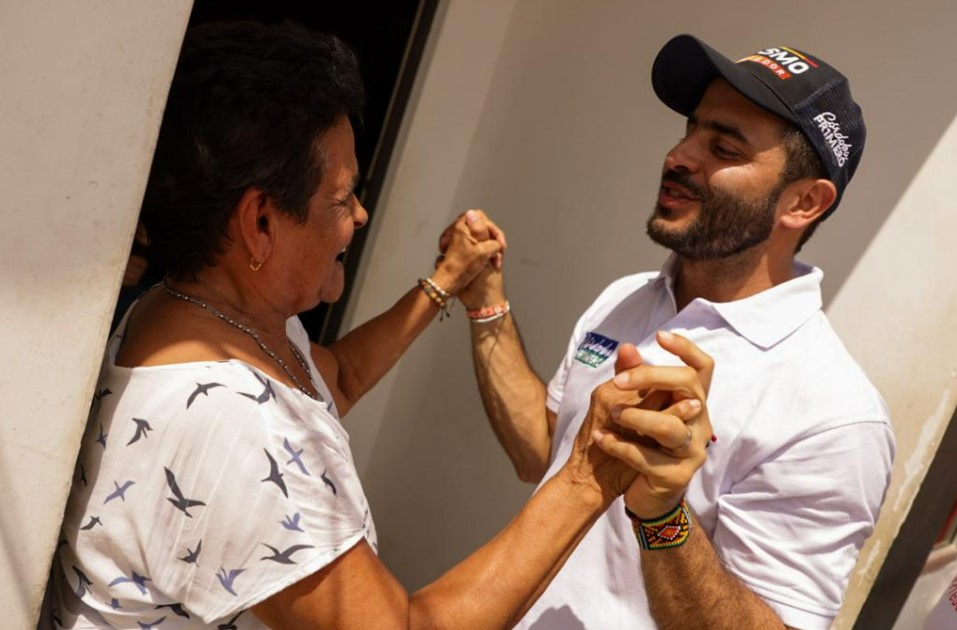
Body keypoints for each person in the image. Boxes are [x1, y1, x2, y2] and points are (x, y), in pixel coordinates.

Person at [45, 21, 714, 630]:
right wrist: (594, 466)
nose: (360, 217)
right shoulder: (234, 425)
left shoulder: (201, 313)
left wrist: (446, 282)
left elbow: (335, 378)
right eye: (342, 199)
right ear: (260, 222)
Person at [452, 34, 896, 629]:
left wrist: (663, 515)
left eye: (723, 146)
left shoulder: (834, 414)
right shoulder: (629, 296)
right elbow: (543, 452)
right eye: (690, 130)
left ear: (804, 203)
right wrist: (486, 305)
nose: (679, 155)